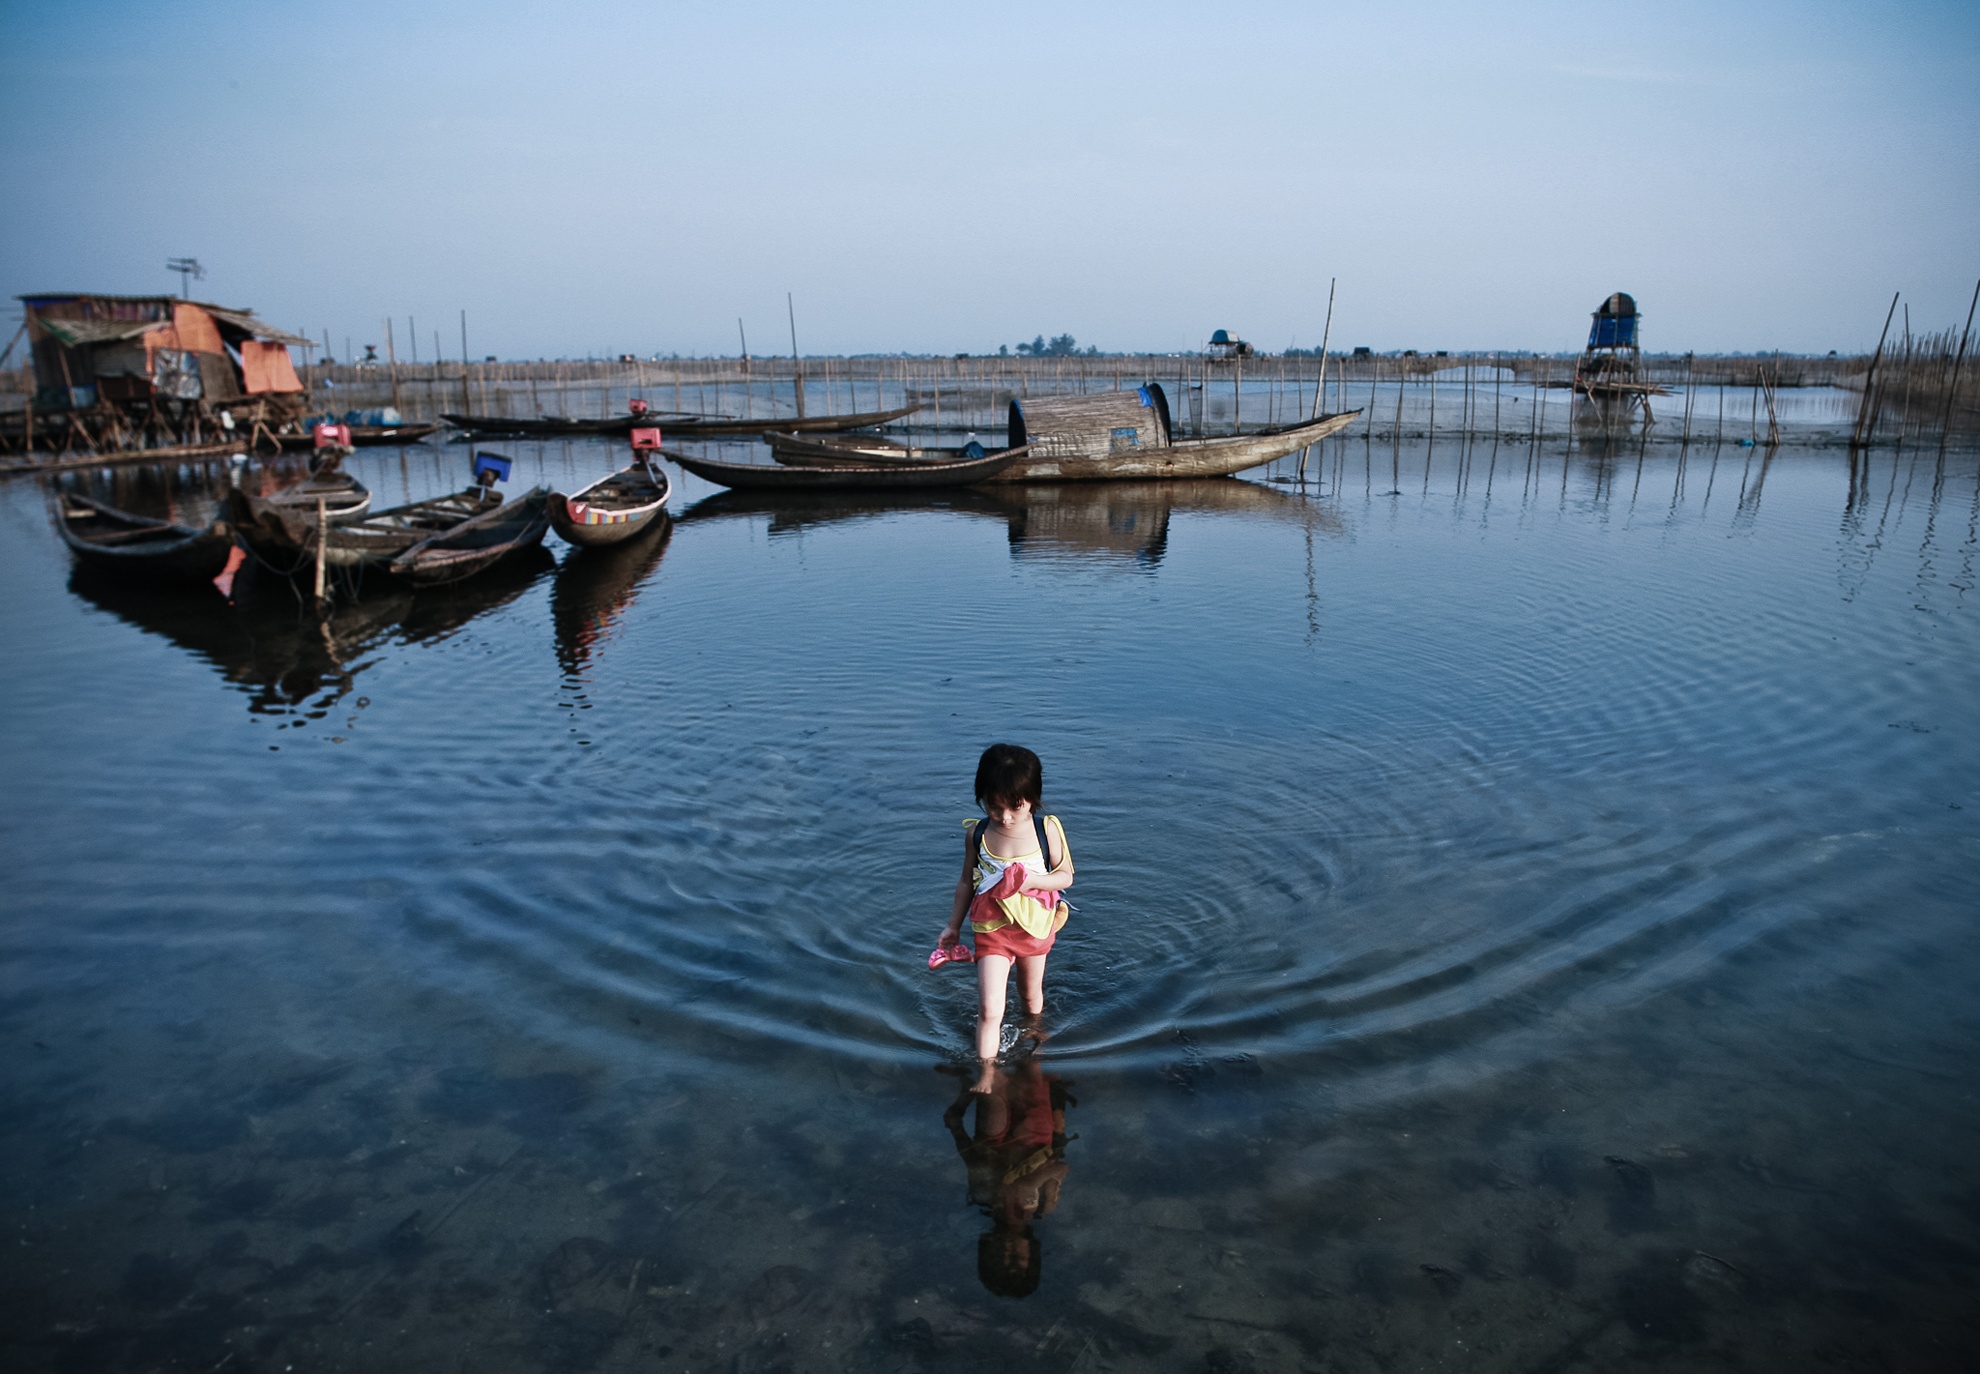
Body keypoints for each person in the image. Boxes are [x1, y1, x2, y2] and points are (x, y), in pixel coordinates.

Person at [936, 743, 1074, 1093]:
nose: (1005, 817)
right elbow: (966, 882)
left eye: (1015, 808)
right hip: (991, 930)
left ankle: (1036, 1041)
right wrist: (952, 926)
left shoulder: (1047, 831)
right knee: (989, 1008)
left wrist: (1032, 881)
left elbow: (1066, 876)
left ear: (1033, 798)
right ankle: (986, 1073)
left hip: (1035, 927)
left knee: (1030, 997)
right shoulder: (979, 834)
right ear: (982, 797)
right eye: (994, 807)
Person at [942, 1057, 1076, 1299]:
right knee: (1032, 1064)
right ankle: (1033, 1026)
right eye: (1019, 1258)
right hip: (1035, 1137)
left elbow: (971, 1160)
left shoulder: (984, 1200)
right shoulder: (1045, 1205)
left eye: (1002, 1260)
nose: (1009, 1252)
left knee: (991, 1077)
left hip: (993, 1142)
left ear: (988, 1254)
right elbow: (1061, 1168)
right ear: (1032, 1252)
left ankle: (986, 1039)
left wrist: (956, 1124)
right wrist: (1030, 1183)